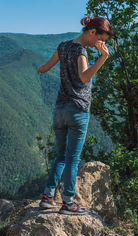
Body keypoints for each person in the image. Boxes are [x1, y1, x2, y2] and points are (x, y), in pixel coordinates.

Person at [37, 16, 114, 215]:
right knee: (72, 158)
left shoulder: (63, 46)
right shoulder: (81, 50)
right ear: (92, 32)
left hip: (60, 109)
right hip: (77, 109)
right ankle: (69, 202)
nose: (101, 43)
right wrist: (103, 58)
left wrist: (39, 69)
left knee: (60, 156)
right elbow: (84, 77)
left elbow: (45, 68)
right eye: (100, 39)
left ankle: (48, 196)